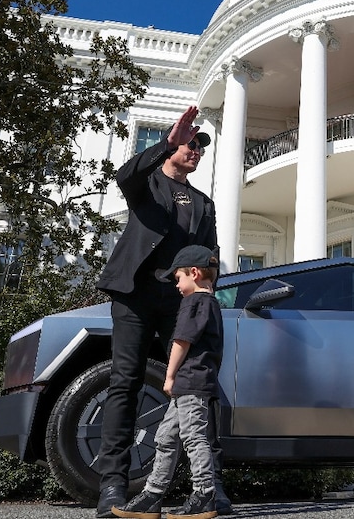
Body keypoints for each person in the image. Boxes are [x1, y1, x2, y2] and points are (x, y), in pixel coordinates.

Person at [95, 105, 231, 517]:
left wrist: (206, 298)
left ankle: (208, 489)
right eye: (190, 143)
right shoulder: (146, 183)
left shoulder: (203, 205)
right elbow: (124, 175)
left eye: (200, 146)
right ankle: (113, 487)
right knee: (125, 383)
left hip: (182, 304)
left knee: (199, 387)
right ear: (173, 145)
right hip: (135, 296)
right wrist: (167, 142)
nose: (196, 149)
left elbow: (210, 258)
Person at [112, 244, 224, 519]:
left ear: (195, 273)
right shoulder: (212, 305)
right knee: (165, 437)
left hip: (190, 382)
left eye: (178, 279)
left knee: (193, 436)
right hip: (192, 384)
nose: (177, 286)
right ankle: (152, 496)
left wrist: (170, 374)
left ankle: (205, 495)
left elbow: (181, 341)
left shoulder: (194, 303)